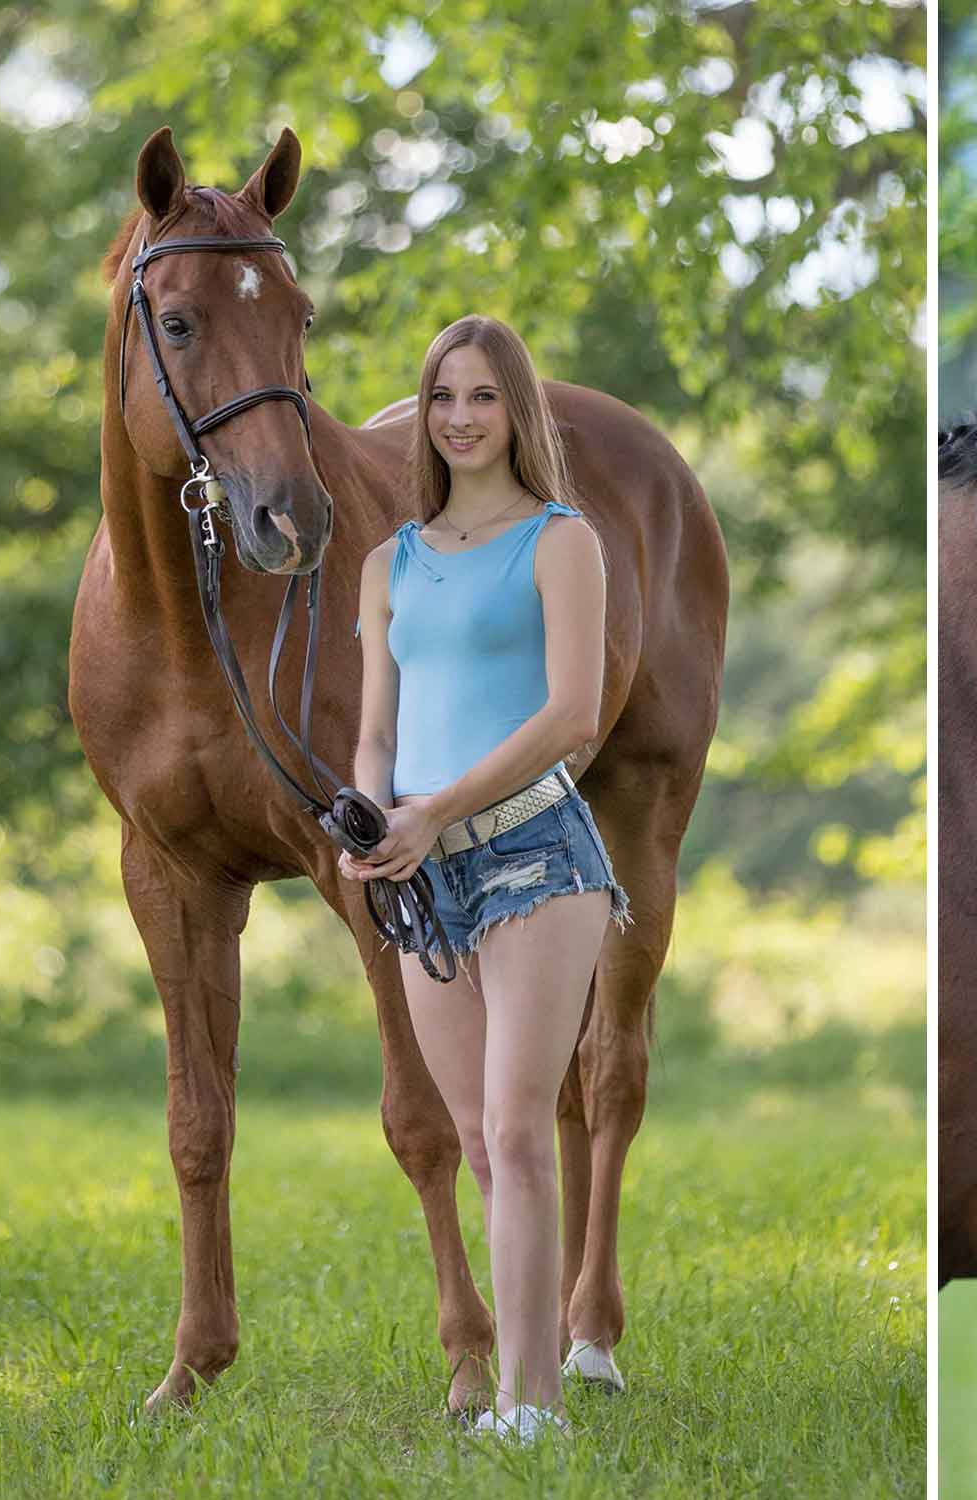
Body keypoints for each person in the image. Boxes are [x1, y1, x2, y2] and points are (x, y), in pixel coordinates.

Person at [340, 313, 628, 1443]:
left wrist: (436, 810)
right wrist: (370, 819)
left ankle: (531, 1404)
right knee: (472, 1141)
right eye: (442, 398)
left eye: (482, 398)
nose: (459, 419)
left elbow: (572, 714)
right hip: (421, 877)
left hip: (536, 857)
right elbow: (376, 730)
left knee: (515, 1130)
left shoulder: (562, 541)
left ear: (518, 412)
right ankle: (518, 1389)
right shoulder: (386, 566)